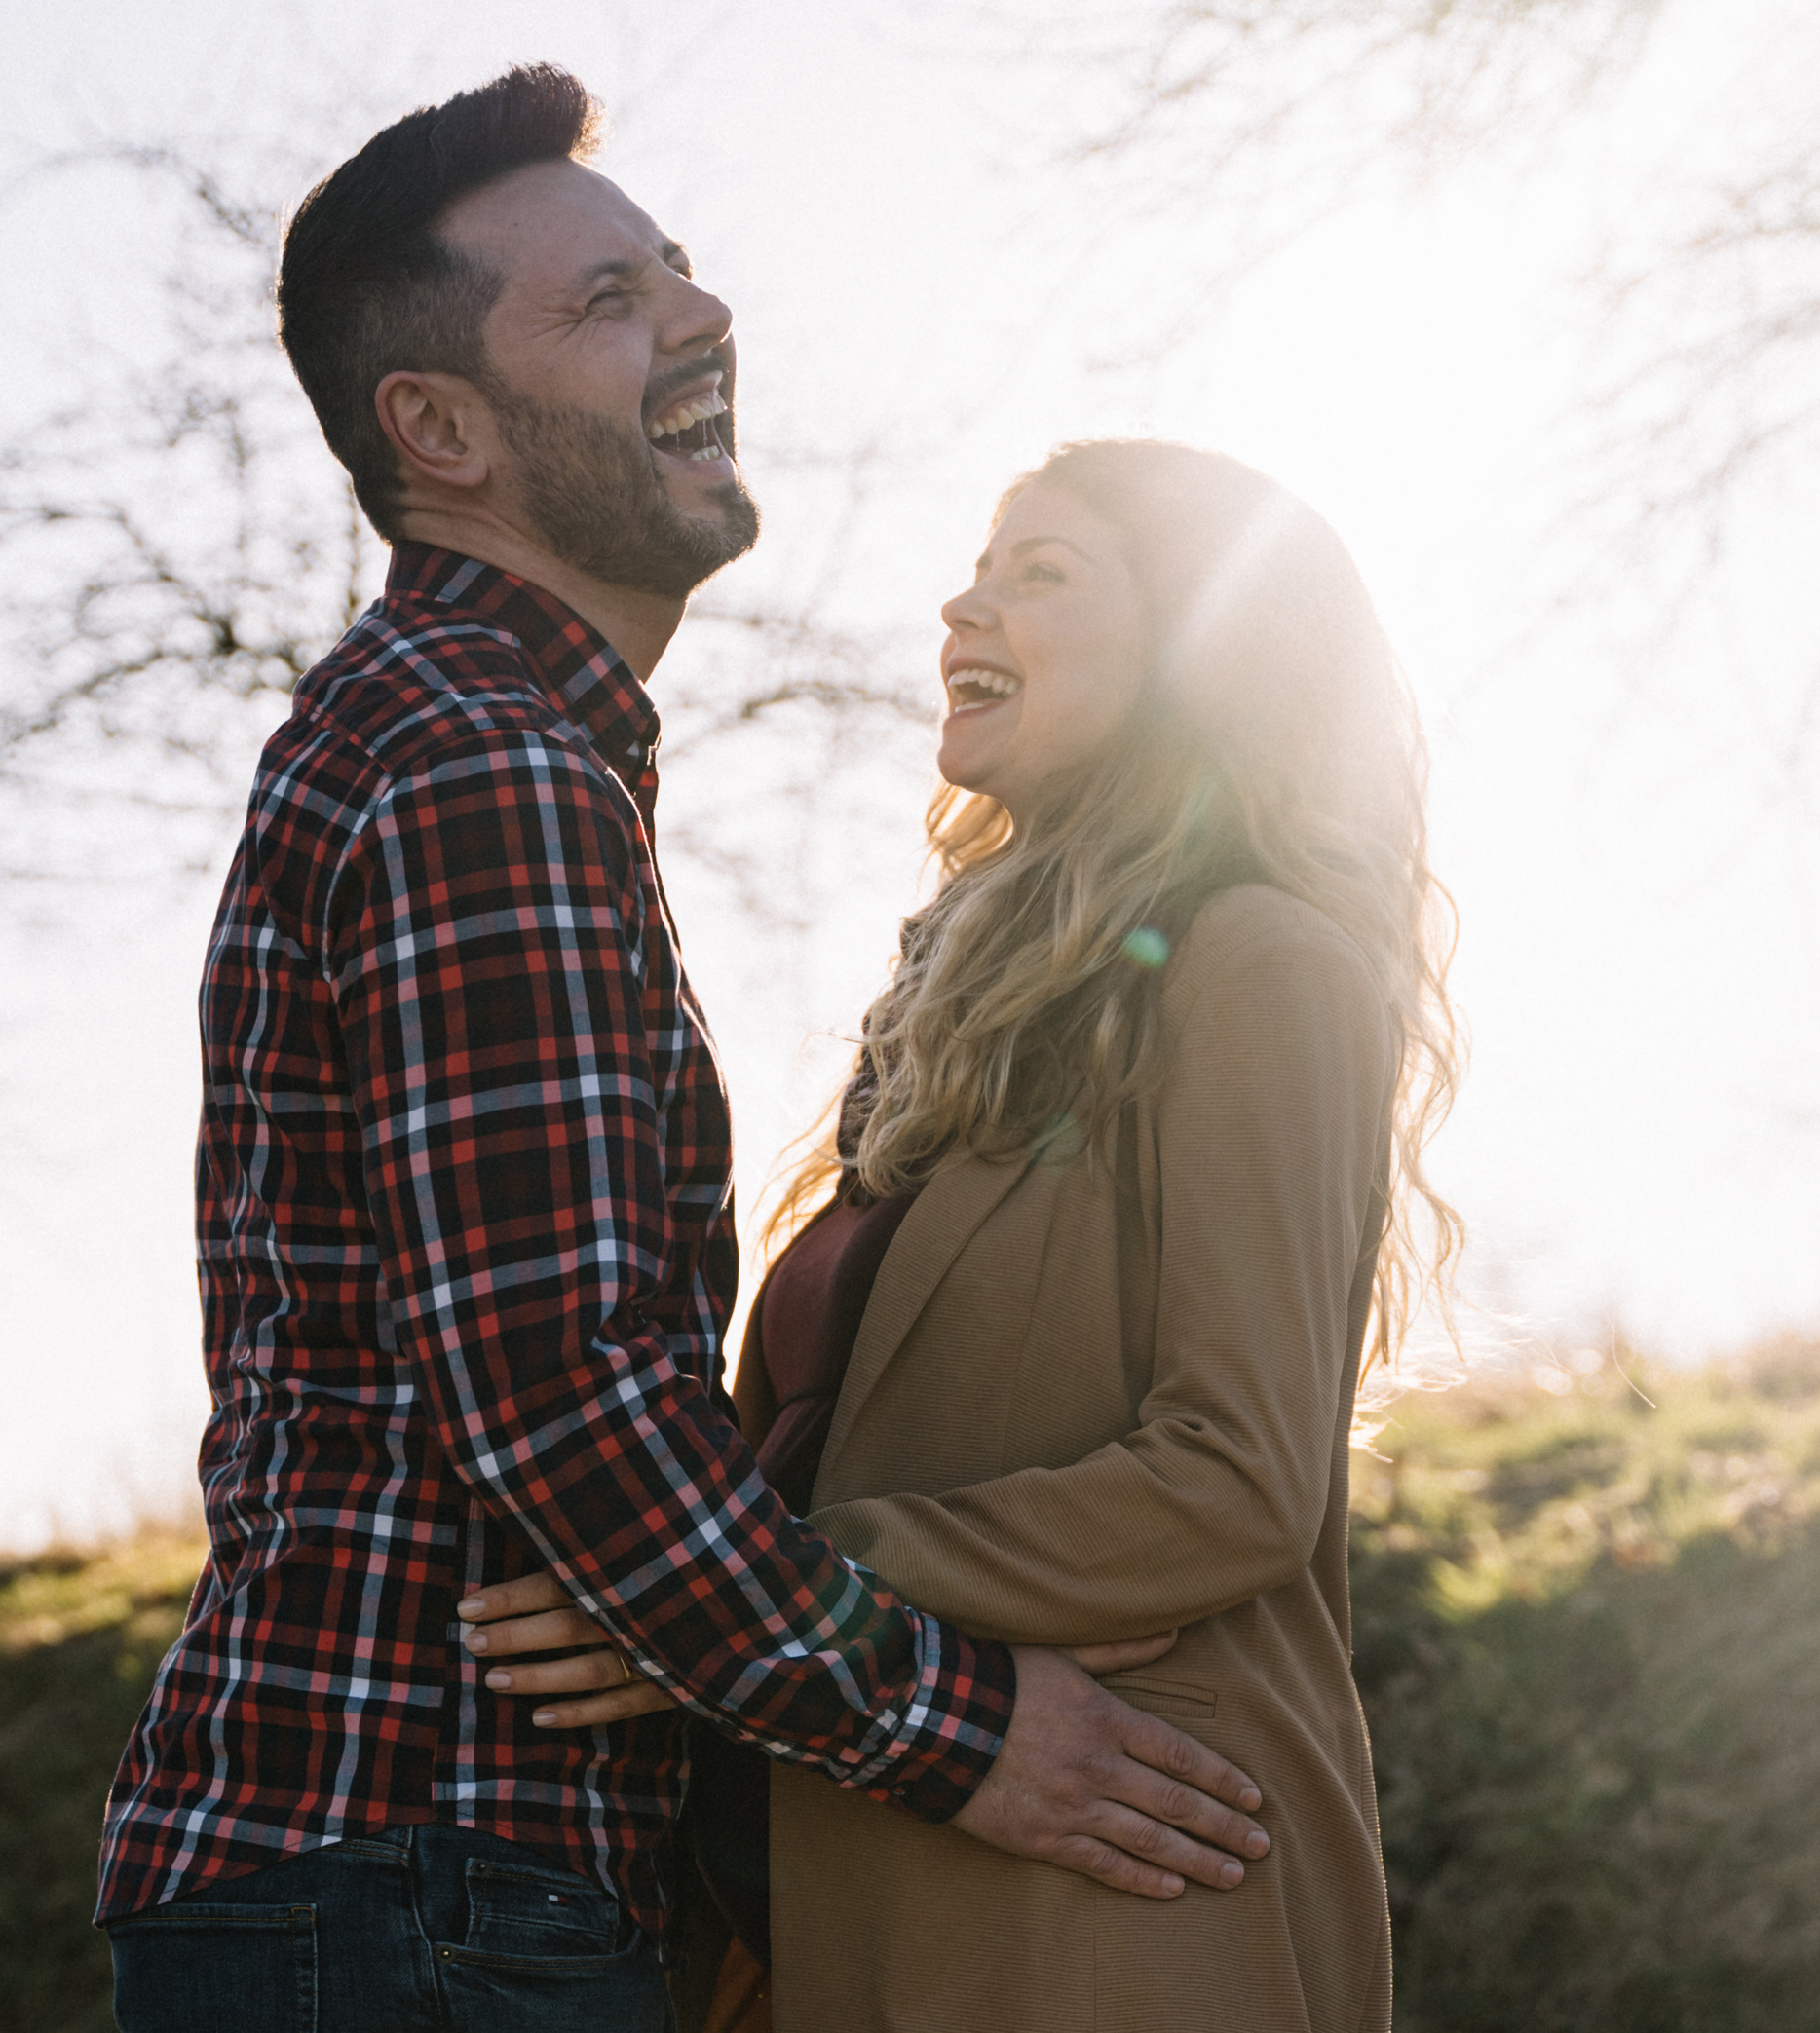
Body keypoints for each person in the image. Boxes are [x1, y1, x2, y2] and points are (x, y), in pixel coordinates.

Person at [93, 74, 1271, 2033]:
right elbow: (562, 1392)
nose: (699, 322)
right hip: (422, 1886)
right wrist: (962, 1722)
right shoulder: (479, 755)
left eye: (682, 275)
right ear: (442, 432)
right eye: (608, 301)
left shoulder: (460, 741)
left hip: (385, 1886)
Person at [465, 438, 1461, 2031]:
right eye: (980, 567)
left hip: (1121, 1905)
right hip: (855, 1882)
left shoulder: (1263, 963)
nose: (961, 605)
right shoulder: (955, 1015)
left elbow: (1238, 1477)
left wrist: (738, 1604)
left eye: (1040, 573)